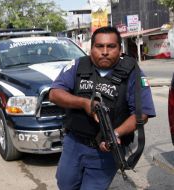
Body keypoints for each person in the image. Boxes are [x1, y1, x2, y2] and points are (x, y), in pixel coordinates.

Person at [49, 26, 156, 190]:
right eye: (99, 46)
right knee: (65, 184)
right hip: (74, 144)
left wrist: (116, 133)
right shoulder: (78, 65)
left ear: (120, 49)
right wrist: (85, 104)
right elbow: (54, 93)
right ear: (91, 48)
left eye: (111, 46)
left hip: (105, 151)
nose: (105, 51)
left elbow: (142, 114)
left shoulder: (132, 73)